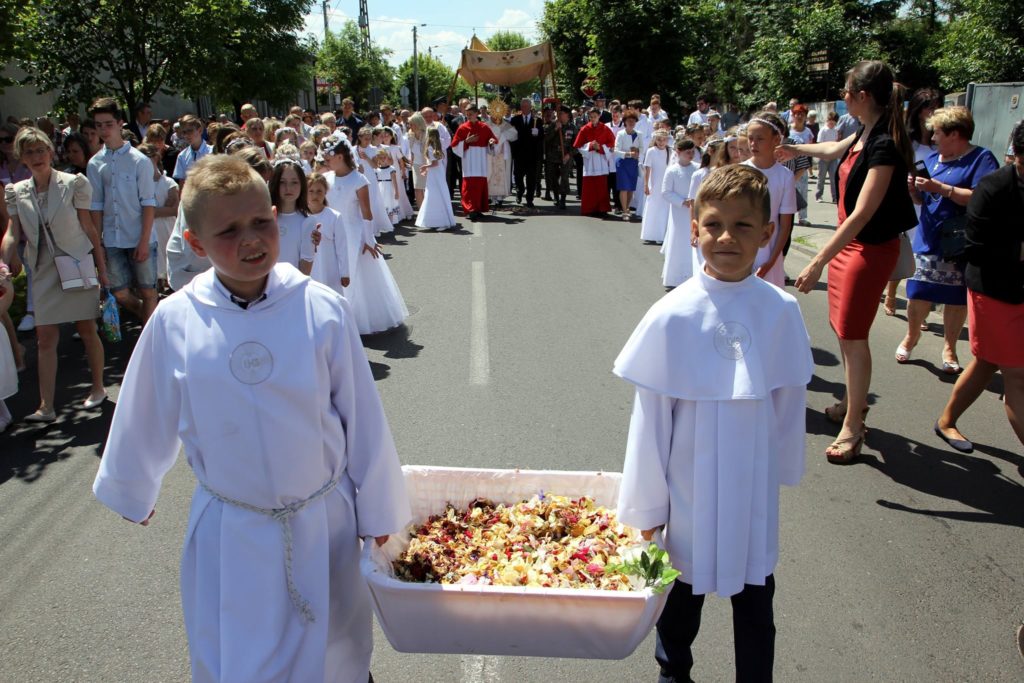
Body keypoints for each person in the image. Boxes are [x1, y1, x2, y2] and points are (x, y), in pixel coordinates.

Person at [92, 153, 411, 683]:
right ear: (196, 244)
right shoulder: (176, 320)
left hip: (322, 523)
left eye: (261, 222)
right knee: (241, 650)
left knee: (334, 648)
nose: (251, 240)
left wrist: (379, 511)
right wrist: (133, 485)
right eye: (228, 231)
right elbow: (147, 404)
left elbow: (363, 418)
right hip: (231, 528)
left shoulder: (321, 308)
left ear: (276, 216)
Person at [615, 164, 812, 683]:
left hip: (751, 487)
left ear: (766, 233)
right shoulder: (672, 314)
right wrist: (647, 508)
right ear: (694, 228)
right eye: (715, 224)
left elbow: (788, 399)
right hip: (688, 489)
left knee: (756, 603)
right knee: (680, 598)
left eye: (743, 226)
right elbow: (650, 422)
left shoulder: (780, 310)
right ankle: (673, 673)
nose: (727, 237)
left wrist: (781, 470)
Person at [778, 60, 917, 463]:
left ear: (863, 96)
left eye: (846, 91)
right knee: (843, 332)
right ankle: (852, 403)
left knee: (854, 338)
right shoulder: (864, 131)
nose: (842, 97)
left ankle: (853, 426)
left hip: (866, 251)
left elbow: (861, 215)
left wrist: (818, 260)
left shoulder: (884, 144)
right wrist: (794, 149)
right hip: (849, 247)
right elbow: (831, 150)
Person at [1, 127, 109, 423]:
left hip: (76, 261)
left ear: (50, 152)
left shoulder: (74, 183)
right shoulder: (16, 191)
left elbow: (89, 227)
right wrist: (3, 261)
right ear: (21, 157)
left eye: (41, 150)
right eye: (29, 152)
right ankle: (46, 406)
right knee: (45, 339)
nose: (36, 156)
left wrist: (102, 269)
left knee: (87, 329)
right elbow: (12, 232)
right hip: (42, 269)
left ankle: (98, 387)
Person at [933, 120, 1024, 453]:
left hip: (1018, 291)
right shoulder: (993, 187)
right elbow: (974, 248)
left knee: (987, 362)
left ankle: (946, 421)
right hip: (993, 291)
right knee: (1016, 375)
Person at [897, 107, 999, 372]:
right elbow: (925, 200)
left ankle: (949, 347)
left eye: (937, 133)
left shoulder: (981, 159)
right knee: (918, 291)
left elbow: (982, 198)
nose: (932, 138)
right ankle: (911, 335)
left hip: (959, 242)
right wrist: (914, 191)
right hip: (928, 237)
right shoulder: (933, 159)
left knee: (955, 297)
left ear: (955, 134)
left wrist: (940, 188)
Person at [321, 134, 409, 334]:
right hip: (331, 233)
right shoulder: (326, 179)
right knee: (334, 273)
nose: (325, 161)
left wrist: (368, 239)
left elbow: (366, 213)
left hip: (353, 234)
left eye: (328, 158)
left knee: (355, 275)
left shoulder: (358, 180)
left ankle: (358, 318)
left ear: (340, 156)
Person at [87, 97, 160, 323]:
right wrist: (98, 241)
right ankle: (153, 321)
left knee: (148, 290)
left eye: (108, 124)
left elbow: (148, 202)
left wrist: (144, 240)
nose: (104, 130)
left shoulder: (139, 161)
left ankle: (150, 335)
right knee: (119, 292)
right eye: (99, 125)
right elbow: (96, 205)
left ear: (120, 124)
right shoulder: (95, 163)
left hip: (139, 235)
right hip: (112, 237)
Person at [883, 88, 943, 317]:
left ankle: (918, 308)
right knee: (904, 252)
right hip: (907, 203)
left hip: (930, 205)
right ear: (918, 111)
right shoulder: (907, 141)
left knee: (924, 256)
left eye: (937, 107)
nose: (933, 112)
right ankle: (891, 293)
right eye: (929, 108)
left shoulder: (941, 142)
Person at [743, 112, 796, 289]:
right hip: (742, 245)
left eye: (760, 139)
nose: (753, 144)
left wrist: (772, 261)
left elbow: (785, 225)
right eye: (750, 138)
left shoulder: (785, 176)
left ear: (776, 140)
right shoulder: (739, 171)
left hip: (769, 251)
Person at [138, 143, 179, 290]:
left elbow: (174, 210)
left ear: (155, 158)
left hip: (166, 228)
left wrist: (151, 211)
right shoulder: (139, 184)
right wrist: (158, 210)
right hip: (149, 230)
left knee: (169, 262)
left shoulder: (168, 182)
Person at [660, 138, 700, 287]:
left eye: (692, 152)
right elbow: (665, 192)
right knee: (678, 242)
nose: (691, 155)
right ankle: (675, 277)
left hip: (695, 211)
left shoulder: (697, 168)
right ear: (678, 152)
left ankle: (692, 275)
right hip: (679, 213)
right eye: (687, 152)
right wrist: (682, 201)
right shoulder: (672, 170)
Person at [305, 172, 349, 296]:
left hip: (329, 268)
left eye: (319, 191)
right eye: (311, 191)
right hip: (308, 269)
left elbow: (342, 247)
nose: (315, 195)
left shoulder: (334, 216)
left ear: (325, 192)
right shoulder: (300, 216)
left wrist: (345, 273)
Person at [451, 104, 496, 221]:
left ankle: (478, 208)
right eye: (467, 114)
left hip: (481, 160)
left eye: (471, 114)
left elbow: (492, 140)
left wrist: (491, 142)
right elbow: (454, 146)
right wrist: (466, 142)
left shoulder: (484, 127)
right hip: (469, 160)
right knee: (469, 186)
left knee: (480, 184)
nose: (468, 116)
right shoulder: (462, 128)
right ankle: (470, 209)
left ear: (477, 113)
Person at [573, 107, 616, 216]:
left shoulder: (605, 129)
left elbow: (612, 144)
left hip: (601, 160)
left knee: (602, 187)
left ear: (599, 116)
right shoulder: (584, 129)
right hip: (590, 161)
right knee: (590, 187)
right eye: (591, 117)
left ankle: (602, 209)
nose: (592, 119)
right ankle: (589, 209)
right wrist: (591, 146)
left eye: (595, 117)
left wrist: (600, 148)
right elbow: (578, 146)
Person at [414, 126, 456, 231]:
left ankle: (442, 222)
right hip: (437, 173)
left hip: (435, 173)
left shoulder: (430, 147)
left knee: (434, 194)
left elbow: (435, 163)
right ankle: (437, 221)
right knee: (438, 194)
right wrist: (427, 168)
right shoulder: (438, 145)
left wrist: (425, 167)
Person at [510, 99, 544, 208]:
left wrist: (538, 133)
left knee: (531, 179)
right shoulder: (515, 119)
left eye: (526, 106)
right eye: (523, 106)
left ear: (530, 107)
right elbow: (511, 136)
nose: (524, 108)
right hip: (519, 154)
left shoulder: (538, 120)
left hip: (532, 155)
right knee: (518, 177)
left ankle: (530, 199)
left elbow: (542, 137)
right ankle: (520, 191)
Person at [640, 130, 672, 243]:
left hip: (667, 183)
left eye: (664, 140)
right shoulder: (651, 151)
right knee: (654, 207)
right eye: (659, 140)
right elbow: (647, 168)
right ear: (655, 140)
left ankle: (662, 235)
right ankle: (652, 234)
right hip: (655, 183)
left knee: (665, 208)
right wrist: (646, 184)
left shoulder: (670, 151)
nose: (661, 142)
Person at [543, 105, 576, 211]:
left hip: (566, 156)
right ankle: (556, 196)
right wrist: (555, 129)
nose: (559, 115)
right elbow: (546, 139)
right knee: (553, 178)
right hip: (553, 156)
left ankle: (563, 199)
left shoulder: (572, 128)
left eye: (561, 113)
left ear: (567, 115)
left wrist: (569, 154)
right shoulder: (553, 125)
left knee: (564, 178)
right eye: (558, 113)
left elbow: (576, 144)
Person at [613, 110, 643, 221]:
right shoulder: (621, 134)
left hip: (633, 163)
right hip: (622, 163)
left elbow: (642, 148)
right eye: (629, 120)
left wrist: (638, 152)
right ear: (625, 122)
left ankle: (627, 207)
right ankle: (625, 211)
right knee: (624, 187)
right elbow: (616, 150)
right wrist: (629, 154)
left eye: (633, 121)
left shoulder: (639, 134)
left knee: (631, 188)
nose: (631, 123)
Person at [788, 104, 814, 226]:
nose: (799, 116)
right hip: (789, 165)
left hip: (803, 165)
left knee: (803, 191)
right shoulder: (788, 130)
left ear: (805, 117)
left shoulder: (808, 132)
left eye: (802, 114)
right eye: (796, 114)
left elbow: (811, 148)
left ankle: (803, 217)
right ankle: (787, 215)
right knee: (788, 191)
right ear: (793, 116)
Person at [815, 112, 840, 203]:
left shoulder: (836, 130)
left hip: (833, 157)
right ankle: (819, 195)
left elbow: (836, 143)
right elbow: (819, 143)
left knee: (833, 178)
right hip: (823, 157)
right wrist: (823, 155)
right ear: (827, 120)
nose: (831, 124)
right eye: (830, 121)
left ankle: (835, 197)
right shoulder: (823, 130)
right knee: (821, 178)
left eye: (833, 122)